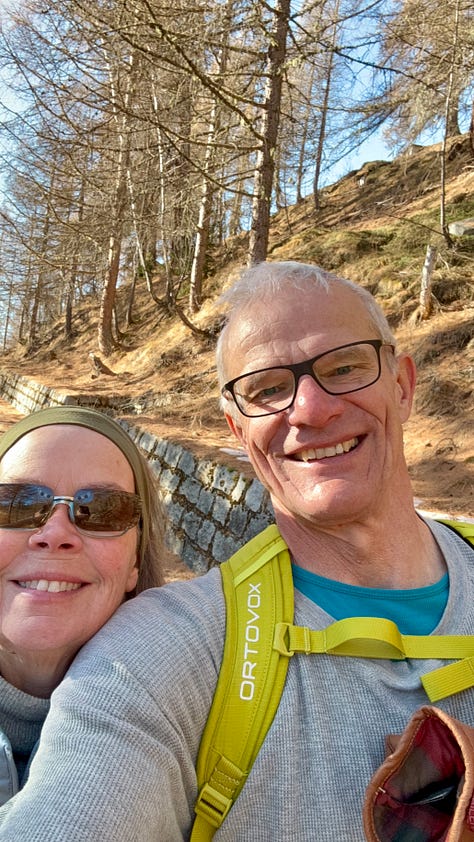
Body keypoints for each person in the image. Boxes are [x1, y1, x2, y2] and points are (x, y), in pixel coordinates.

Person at [0, 262, 472, 841]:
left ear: (402, 384)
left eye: (344, 367)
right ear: (236, 429)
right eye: (267, 389)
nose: (310, 409)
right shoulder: (161, 649)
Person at [0, 405, 166, 805]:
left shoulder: (195, 732)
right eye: (17, 503)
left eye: (104, 510)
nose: (55, 533)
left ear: (135, 562)